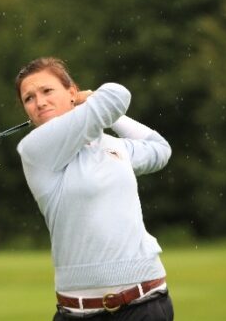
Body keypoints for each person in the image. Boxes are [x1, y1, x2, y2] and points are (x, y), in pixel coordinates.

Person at [16, 57, 174, 320]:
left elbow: (160, 149)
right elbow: (115, 95)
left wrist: (111, 116)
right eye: (28, 99)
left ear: (71, 91)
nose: (39, 102)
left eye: (47, 91)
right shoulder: (35, 150)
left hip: (145, 304)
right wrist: (90, 100)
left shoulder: (112, 146)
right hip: (77, 312)